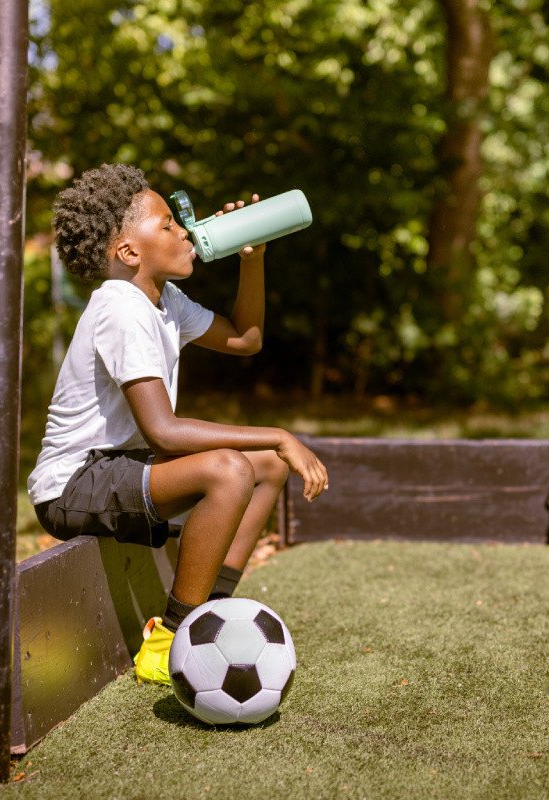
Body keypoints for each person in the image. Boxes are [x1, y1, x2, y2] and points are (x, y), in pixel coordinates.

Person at [27, 164, 329, 686]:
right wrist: (279, 435)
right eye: (167, 224)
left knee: (263, 470)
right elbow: (163, 431)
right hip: (73, 484)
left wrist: (252, 259)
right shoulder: (120, 308)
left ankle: (208, 615)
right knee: (231, 470)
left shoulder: (163, 300)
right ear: (128, 252)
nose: (184, 231)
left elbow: (245, 339)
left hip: (116, 468)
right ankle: (170, 641)